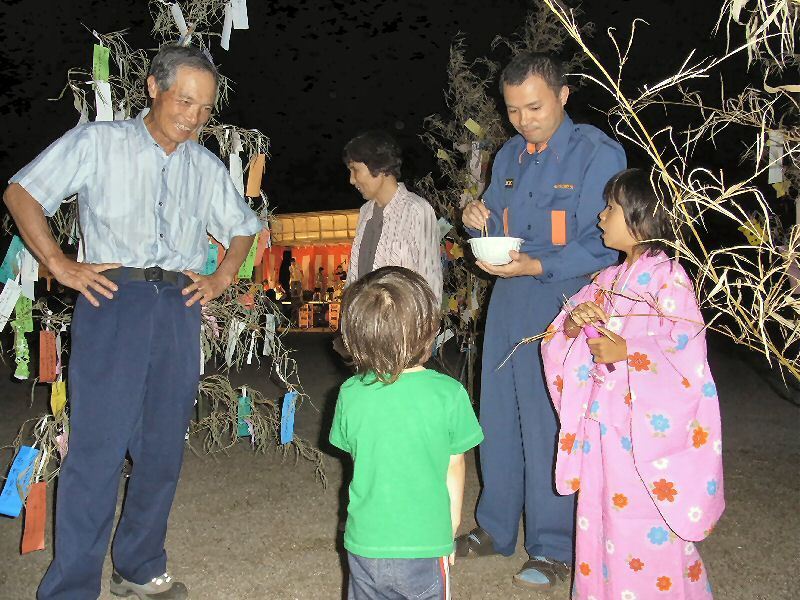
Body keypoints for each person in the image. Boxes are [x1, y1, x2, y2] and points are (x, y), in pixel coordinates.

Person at [3, 45, 261, 600]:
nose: (193, 117)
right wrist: (59, 264)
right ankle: (72, 586)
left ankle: (139, 567)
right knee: (96, 450)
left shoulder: (205, 166)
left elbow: (243, 226)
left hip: (178, 309)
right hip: (111, 300)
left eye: (204, 108)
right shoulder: (100, 143)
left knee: (163, 449)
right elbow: (21, 191)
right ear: (153, 87)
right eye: (184, 101)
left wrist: (222, 278)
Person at [458, 52, 626, 589]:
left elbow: (605, 241)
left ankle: (553, 546)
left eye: (534, 106)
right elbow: (489, 212)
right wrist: (472, 214)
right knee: (499, 415)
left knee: (553, 421)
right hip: (508, 297)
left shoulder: (596, 153)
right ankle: (494, 528)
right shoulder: (507, 154)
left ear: (563, 95)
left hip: (566, 302)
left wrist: (540, 263)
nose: (524, 120)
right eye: (513, 111)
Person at [540, 168, 724, 598]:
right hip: (605, 430)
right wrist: (574, 326)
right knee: (603, 521)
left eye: (611, 208)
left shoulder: (669, 277)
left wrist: (630, 353)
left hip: (644, 440)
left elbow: (686, 352)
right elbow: (559, 334)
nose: (601, 217)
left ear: (641, 216)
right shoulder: (605, 280)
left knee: (646, 527)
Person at [329, 266, 483, 600]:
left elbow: (357, 453)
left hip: (364, 542)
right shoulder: (449, 394)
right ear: (429, 329)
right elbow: (454, 465)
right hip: (424, 545)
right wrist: (450, 525)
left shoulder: (350, 393)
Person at [343, 130, 442, 305]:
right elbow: (354, 277)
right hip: (363, 326)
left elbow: (431, 283)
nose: (351, 180)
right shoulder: (365, 212)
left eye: (355, 170)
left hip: (402, 327)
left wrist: (422, 330)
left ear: (379, 167)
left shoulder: (417, 210)